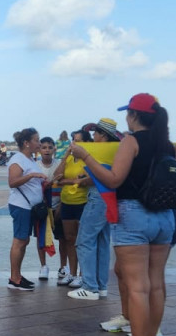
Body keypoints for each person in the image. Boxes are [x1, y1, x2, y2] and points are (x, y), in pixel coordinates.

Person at [71, 93, 175, 336]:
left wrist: (86, 157)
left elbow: (114, 179)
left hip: (134, 216)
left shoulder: (131, 141)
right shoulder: (167, 145)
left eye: (128, 113)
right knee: (156, 283)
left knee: (137, 287)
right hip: (165, 217)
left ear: (133, 116)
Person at [69, 118, 121, 300]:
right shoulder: (117, 151)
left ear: (103, 135)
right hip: (110, 198)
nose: (93, 137)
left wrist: (84, 176)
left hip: (98, 197)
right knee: (102, 241)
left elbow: (101, 176)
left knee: (84, 240)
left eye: (95, 133)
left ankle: (90, 286)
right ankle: (101, 285)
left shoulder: (99, 152)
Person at [6, 128, 46, 290]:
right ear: (26, 143)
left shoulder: (30, 159)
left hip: (28, 207)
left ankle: (17, 275)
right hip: (21, 205)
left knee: (23, 240)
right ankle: (14, 278)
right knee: (20, 240)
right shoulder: (18, 159)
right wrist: (31, 176)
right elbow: (12, 182)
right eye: (37, 140)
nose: (40, 143)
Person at [57, 128, 91, 287]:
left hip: (82, 202)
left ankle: (83, 274)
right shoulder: (69, 159)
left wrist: (67, 181)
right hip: (67, 202)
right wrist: (65, 156)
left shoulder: (88, 160)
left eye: (78, 140)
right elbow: (56, 177)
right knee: (69, 238)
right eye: (73, 140)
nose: (74, 143)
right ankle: (72, 272)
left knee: (82, 240)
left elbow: (84, 180)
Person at [34, 137, 64, 280]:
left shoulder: (59, 164)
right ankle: (43, 266)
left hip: (58, 206)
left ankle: (63, 267)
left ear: (54, 149)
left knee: (63, 238)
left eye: (50, 147)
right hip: (42, 208)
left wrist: (62, 205)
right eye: (44, 147)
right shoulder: (35, 166)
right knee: (41, 238)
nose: (47, 150)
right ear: (39, 149)